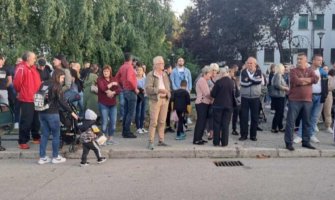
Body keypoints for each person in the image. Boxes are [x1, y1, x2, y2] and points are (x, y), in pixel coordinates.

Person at [38, 69, 79, 164]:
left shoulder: (44, 84)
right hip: (52, 113)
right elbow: (62, 101)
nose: (63, 80)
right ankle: (55, 157)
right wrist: (71, 112)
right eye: (62, 78)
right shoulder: (56, 86)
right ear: (57, 76)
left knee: (44, 135)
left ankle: (42, 157)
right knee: (56, 135)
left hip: (42, 113)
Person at [284, 53, 319, 151]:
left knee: (307, 122)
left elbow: (316, 79)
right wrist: (309, 80)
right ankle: (289, 143)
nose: (299, 60)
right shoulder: (293, 71)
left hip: (308, 100)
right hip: (294, 100)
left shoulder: (310, 70)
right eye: (298, 59)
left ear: (306, 60)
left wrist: (304, 80)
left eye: (301, 59)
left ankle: (306, 142)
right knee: (290, 122)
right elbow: (296, 81)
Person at [294, 54, 328, 144]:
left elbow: (326, 84)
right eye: (318, 60)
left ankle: (311, 134)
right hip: (309, 96)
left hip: (320, 96)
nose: (320, 62)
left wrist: (325, 94)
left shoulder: (322, 72)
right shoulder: (307, 70)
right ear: (313, 61)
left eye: (321, 60)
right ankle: (300, 135)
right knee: (306, 116)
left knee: (315, 118)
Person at [13, 51, 41, 149]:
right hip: (26, 98)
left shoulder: (33, 68)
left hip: (36, 98)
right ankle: (23, 141)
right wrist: (20, 92)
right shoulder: (21, 68)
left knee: (36, 120)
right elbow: (16, 83)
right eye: (34, 57)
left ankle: (35, 137)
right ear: (28, 58)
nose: (35, 59)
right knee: (26, 120)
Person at [145, 56, 171, 150]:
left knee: (162, 121)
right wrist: (159, 90)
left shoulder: (165, 74)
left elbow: (168, 86)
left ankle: (161, 140)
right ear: (155, 65)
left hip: (165, 100)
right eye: (161, 63)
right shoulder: (150, 75)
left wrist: (168, 93)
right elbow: (148, 89)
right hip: (155, 100)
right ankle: (150, 142)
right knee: (154, 121)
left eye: (163, 63)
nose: (163, 64)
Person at [239, 57, 263, 141]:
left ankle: (253, 135)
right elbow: (242, 83)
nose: (249, 65)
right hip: (245, 97)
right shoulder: (243, 72)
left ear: (255, 64)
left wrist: (248, 80)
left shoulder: (259, 71)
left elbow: (259, 81)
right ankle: (243, 135)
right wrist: (253, 81)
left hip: (255, 97)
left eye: (251, 63)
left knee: (255, 117)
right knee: (244, 117)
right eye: (248, 63)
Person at [115, 53, 138, 138]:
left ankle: (124, 131)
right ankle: (127, 131)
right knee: (130, 113)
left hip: (125, 90)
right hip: (131, 91)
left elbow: (116, 78)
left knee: (126, 112)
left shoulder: (122, 67)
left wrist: (121, 86)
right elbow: (129, 79)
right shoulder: (130, 67)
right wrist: (135, 88)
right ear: (131, 59)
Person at [211, 66, 235, 147]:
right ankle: (224, 142)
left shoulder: (218, 82)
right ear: (227, 73)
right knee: (225, 124)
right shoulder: (232, 82)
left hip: (218, 105)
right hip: (228, 106)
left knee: (217, 124)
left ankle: (216, 142)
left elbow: (213, 94)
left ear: (221, 73)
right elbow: (235, 94)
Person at [97, 65, 120, 145]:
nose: (106, 73)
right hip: (103, 103)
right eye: (104, 71)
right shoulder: (100, 79)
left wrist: (113, 92)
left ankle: (110, 138)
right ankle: (103, 139)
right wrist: (111, 85)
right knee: (104, 123)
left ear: (110, 72)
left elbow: (119, 89)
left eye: (107, 71)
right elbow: (102, 88)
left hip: (112, 104)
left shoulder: (114, 79)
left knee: (113, 122)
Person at [193, 66, 213, 145]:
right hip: (201, 103)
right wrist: (213, 98)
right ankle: (196, 139)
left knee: (202, 122)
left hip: (203, 103)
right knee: (200, 122)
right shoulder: (202, 80)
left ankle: (199, 138)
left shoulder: (203, 80)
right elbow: (207, 94)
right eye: (209, 73)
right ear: (205, 73)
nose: (210, 75)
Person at [170, 57, 193, 124]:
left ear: (184, 62)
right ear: (177, 62)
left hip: (186, 91)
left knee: (187, 105)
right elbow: (172, 81)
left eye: (182, 60)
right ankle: (176, 120)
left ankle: (186, 118)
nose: (181, 62)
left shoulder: (187, 70)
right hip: (177, 91)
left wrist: (189, 88)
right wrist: (175, 89)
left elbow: (190, 80)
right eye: (179, 60)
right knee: (178, 105)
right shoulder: (174, 71)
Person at [270, 64, 289, 133]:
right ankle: (274, 127)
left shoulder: (278, 75)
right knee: (279, 112)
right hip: (278, 96)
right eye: (283, 69)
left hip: (279, 96)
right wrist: (285, 88)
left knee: (280, 112)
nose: (284, 70)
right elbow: (277, 85)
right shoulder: (278, 75)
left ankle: (280, 127)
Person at [135, 63, 148, 134]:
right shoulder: (134, 79)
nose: (139, 71)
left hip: (144, 96)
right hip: (138, 97)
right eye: (138, 70)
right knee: (138, 111)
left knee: (143, 112)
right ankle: (138, 127)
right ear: (136, 71)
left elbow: (146, 87)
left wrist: (144, 90)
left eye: (141, 70)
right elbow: (135, 87)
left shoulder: (145, 79)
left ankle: (142, 126)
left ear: (143, 72)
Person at [229, 65, 241, 136]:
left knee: (235, 115)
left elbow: (238, 88)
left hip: (236, 99)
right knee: (229, 115)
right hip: (230, 99)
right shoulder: (229, 80)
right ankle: (225, 129)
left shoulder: (235, 79)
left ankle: (234, 129)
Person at [323, 69, 335, 133]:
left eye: (326, 69)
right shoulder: (322, 76)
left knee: (328, 111)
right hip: (320, 94)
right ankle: (313, 125)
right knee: (317, 111)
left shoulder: (331, 78)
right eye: (324, 69)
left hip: (328, 94)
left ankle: (328, 126)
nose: (325, 70)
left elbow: (332, 87)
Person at [164, 64, 175, 133]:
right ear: (168, 69)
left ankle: (168, 126)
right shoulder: (165, 76)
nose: (172, 70)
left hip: (170, 95)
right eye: (171, 69)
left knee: (168, 111)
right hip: (166, 96)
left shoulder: (168, 76)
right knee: (166, 112)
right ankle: (165, 126)